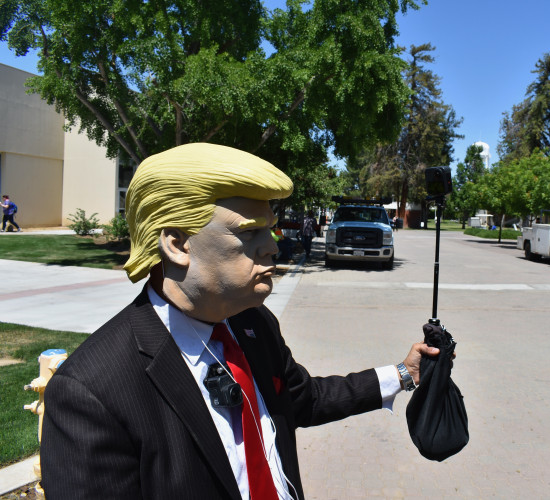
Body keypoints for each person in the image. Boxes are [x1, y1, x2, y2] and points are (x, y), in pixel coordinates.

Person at [40, 143, 439, 499]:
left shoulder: (254, 324)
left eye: (270, 227)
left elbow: (303, 400)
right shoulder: (91, 392)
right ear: (178, 243)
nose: (272, 245)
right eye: (249, 233)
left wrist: (404, 373)